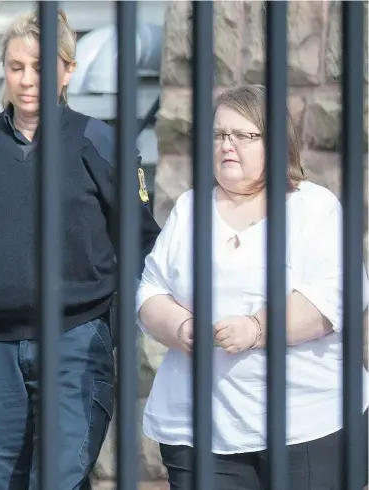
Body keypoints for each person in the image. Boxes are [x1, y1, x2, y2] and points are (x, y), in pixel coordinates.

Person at [0, 9, 161, 490]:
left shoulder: (101, 144)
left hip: (76, 343)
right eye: (17, 66)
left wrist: (115, 329)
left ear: (67, 69)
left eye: (41, 67)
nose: (27, 80)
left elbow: (144, 247)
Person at [136, 84, 369, 490]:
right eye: (219, 134)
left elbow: (336, 296)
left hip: (308, 426)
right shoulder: (191, 209)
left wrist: (256, 329)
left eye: (244, 135)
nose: (227, 145)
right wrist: (180, 328)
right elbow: (150, 290)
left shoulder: (313, 208)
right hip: (201, 431)